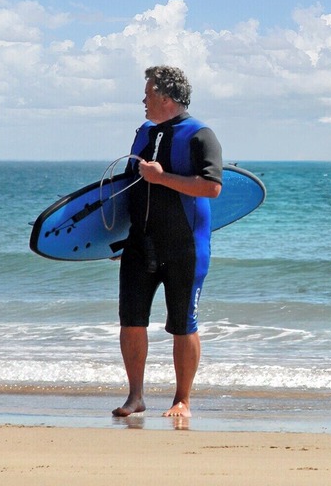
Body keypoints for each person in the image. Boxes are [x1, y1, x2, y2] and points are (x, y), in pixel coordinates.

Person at [112, 65, 223, 419]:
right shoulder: (143, 133)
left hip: (184, 247)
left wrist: (163, 178)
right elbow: (127, 188)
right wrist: (111, 240)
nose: (143, 100)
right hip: (139, 243)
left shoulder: (200, 135)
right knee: (131, 320)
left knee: (182, 324)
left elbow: (212, 187)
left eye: (147, 93)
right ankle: (136, 397)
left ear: (164, 97)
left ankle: (182, 401)